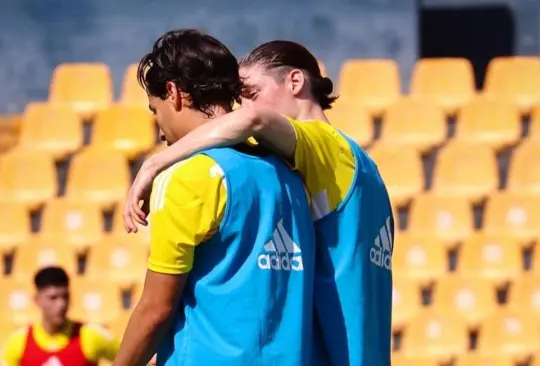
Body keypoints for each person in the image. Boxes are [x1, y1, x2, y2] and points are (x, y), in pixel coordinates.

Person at [124, 40, 394, 366]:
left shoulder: (324, 146)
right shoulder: (357, 172)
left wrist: (156, 163)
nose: (240, 107)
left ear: (294, 82)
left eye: (250, 94)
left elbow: (253, 121)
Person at [113, 30, 316, 366]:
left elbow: (156, 310)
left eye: (155, 110)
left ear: (174, 93)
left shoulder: (189, 175)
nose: (160, 129)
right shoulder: (287, 170)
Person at [1, 266, 118, 366]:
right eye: (53, 298)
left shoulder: (89, 335)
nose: (61, 304)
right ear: (37, 300)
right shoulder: (20, 341)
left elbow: (130, 357)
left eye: (65, 297)